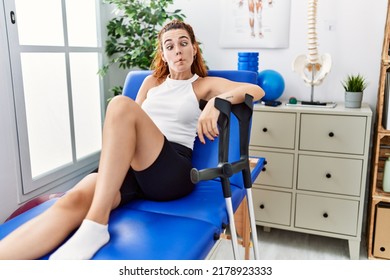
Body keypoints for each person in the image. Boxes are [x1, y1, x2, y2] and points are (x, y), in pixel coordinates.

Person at [0, 19, 264, 260]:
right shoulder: (150, 83)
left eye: (184, 43)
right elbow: (126, 128)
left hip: (170, 171)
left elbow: (256, 89)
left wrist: (217, 101)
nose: (178, 50)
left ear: (194, 49)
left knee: (120, 105)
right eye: (169, 46)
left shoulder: (202, 85)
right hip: (132, 169)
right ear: (163, 54)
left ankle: (95, 225)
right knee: (73, 199)